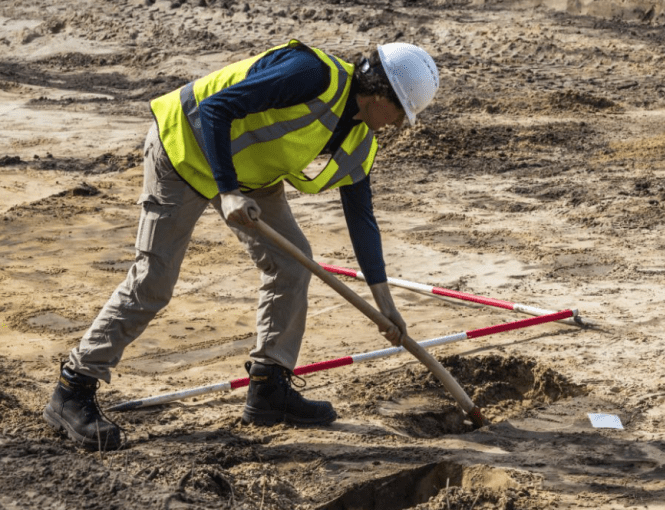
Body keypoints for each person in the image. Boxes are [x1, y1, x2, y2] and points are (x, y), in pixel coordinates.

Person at [42, 39, 440, 451]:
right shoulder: (310, 74)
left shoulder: (360, 140)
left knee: (291, 263)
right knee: (153, 281)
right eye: (400, 112)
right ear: (378, 95)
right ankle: (73, 387)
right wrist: (228, 190)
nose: (399, 125)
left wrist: (384, 302)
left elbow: (362, 218)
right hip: (185, 149)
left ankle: (269, 386)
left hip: (248, 173)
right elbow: (216, 107)